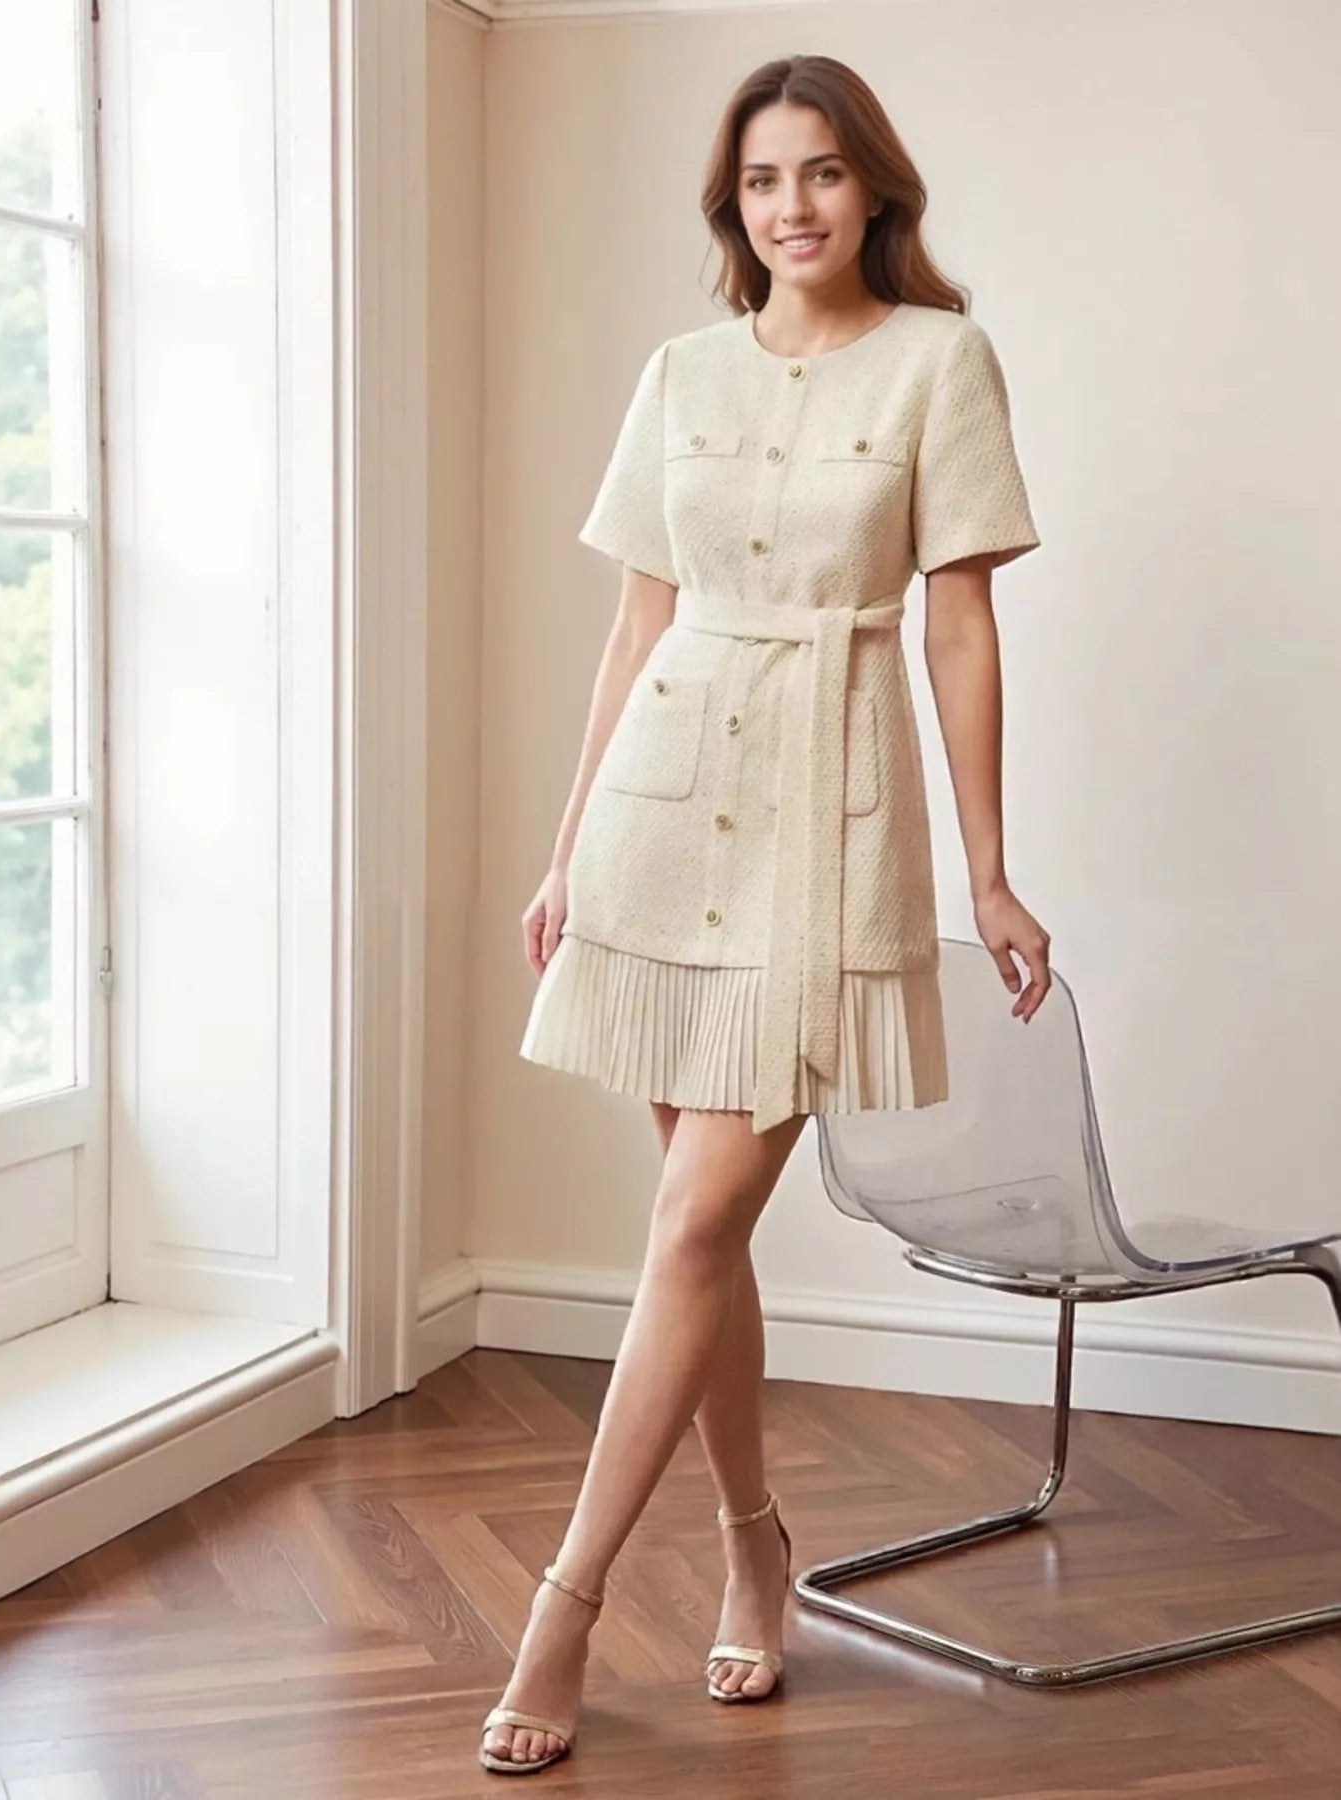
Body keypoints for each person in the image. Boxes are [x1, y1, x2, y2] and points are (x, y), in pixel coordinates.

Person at [479, 51, 1052, 1776]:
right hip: (660, 815)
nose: (787, 206)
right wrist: (569, 848)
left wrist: (989, 867)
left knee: (690, 1220)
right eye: (756, 183)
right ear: (730, 209)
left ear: (873, 187)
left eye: (816, 173)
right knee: (696, 1229)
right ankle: (750, 1545)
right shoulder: (677, 371)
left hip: (825, 810)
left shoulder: (942, 360)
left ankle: (563, 1608)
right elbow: (634, 621)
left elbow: (957, 624)